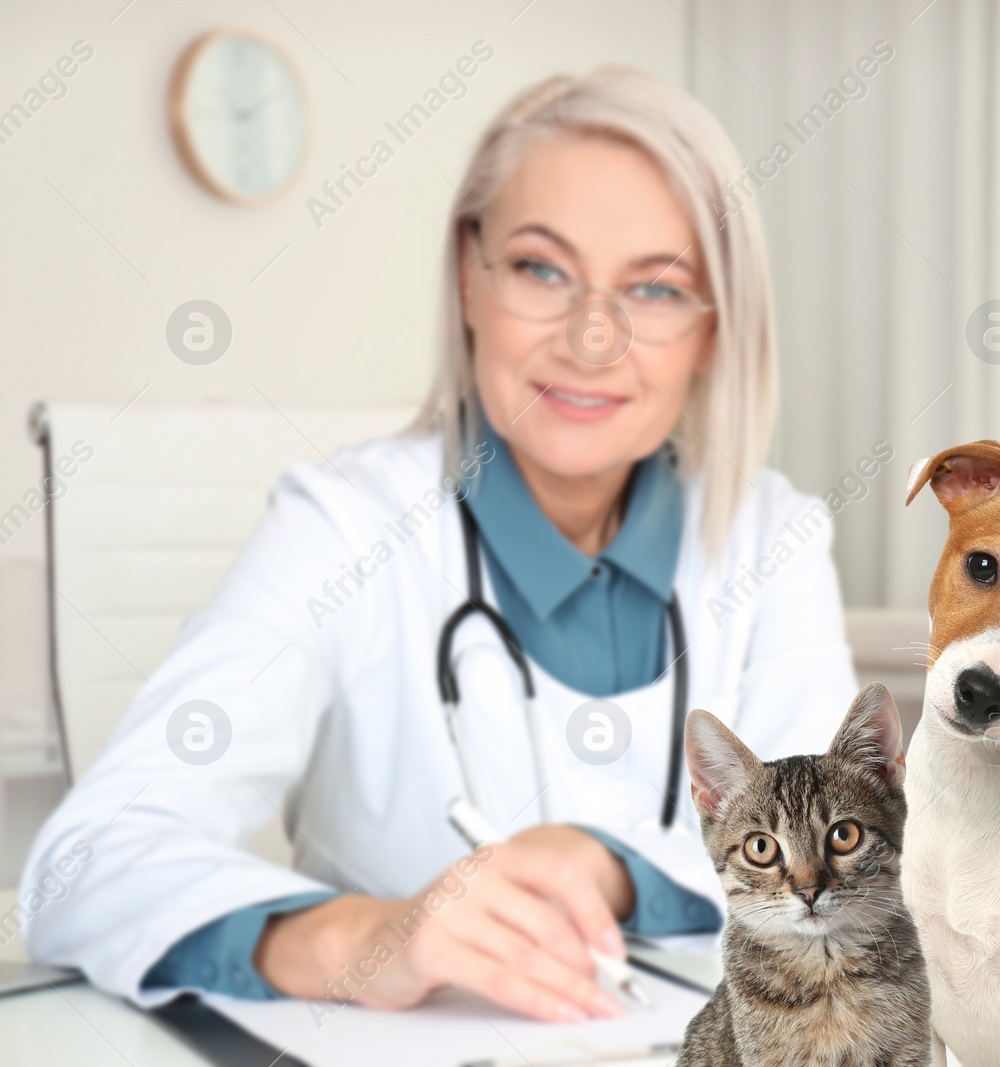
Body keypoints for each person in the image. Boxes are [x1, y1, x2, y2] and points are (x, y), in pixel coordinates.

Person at [19, 67, 856, 1024]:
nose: (591, 340)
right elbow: (80, 865)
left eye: (657, 289)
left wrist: (611, 867)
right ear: (469, 277)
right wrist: (357, 939)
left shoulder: (774, 538)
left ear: (714, 331)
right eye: (543, 269)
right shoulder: (344, 529)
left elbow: (858, 871)